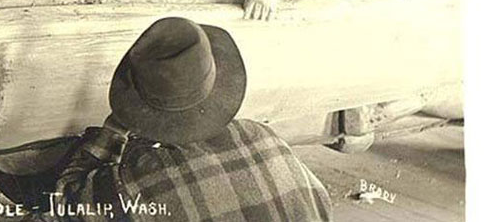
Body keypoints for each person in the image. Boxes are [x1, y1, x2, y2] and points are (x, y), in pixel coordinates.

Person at [40, 17, 332, 221]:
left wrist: (113, 132)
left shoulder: (137, 183)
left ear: (138, 108)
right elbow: (321, 204)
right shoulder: (265, 138)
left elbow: (61, 207)